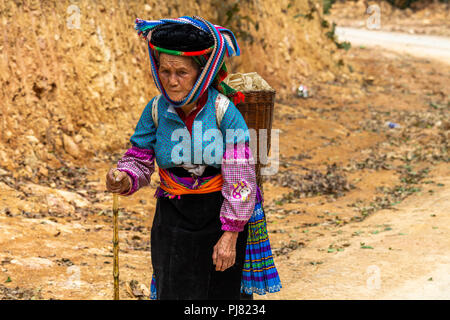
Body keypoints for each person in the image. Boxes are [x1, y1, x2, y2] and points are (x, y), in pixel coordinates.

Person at [106, 16, 281, 300]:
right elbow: (138, 157)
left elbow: (240, 177)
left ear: (201, 74)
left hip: (219, 214)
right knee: (173, 288)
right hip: (172, 217)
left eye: (181, 73)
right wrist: (124, 177)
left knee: (221, 295)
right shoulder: (155, 110)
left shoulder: (225, 112)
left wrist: (231, 235)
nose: (171, 81)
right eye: (165, 71)